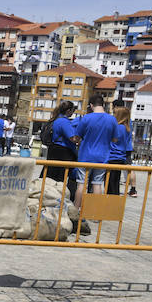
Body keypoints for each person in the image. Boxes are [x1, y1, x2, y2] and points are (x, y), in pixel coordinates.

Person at [71, 94, 118, 222]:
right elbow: (115, 139)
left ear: (91, 105)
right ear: (103, 104)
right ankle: (96, 214)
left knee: (81, 184)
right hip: (102, 156)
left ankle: (76, 211)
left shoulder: (86, 118)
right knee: (97, 184)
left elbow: (77, 137)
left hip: (86, 155)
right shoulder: (112, 120)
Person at [44, 100, 78, 203]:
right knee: (63, 177)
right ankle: (63, 199)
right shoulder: (64, 122)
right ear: (69, 110)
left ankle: (49, 197)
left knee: (51, 177)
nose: (73, 112)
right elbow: (73, 138)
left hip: (54, 150)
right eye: (73, 110)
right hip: (63, 152)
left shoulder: (56, 119)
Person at [106, 100, 132, 196]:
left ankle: (110, 202)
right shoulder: (126, 128)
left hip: (112, 157)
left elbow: (112, 140)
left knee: (110, 183)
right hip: (120, 157)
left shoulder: (118, 128)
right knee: (115, 182)